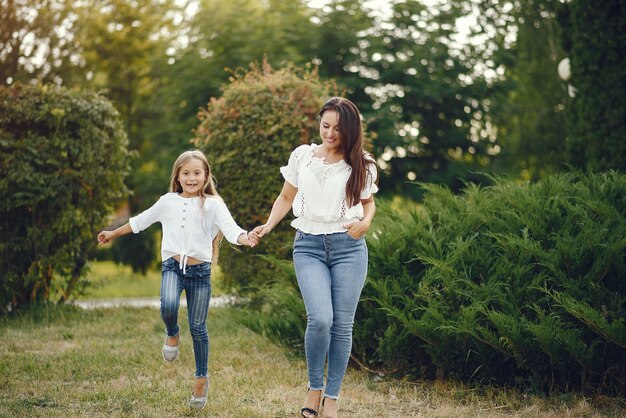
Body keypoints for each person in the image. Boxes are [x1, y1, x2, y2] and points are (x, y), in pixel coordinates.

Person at [97, 149, 257, 411]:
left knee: (198, 328)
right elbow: (141, 221)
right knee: (168, 306)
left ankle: (201, 380)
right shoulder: (168, 201)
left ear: (206, 176)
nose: (192, 178)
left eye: (197, 173)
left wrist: (245, 237)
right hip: (172, 266)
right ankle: (172, 332)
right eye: (186, 173)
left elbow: (231, 230)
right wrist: (113, 233)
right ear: (178, 176)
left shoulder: (214, 204)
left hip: (200, 272)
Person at [252, 97, 378, 418]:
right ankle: (314, 387)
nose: (330, 133)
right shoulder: (303, 156)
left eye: (337, 128)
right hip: (308, 245)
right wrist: (267, 226)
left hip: (348, 248)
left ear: (350, 130)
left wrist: (364, 224)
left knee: (342, 325)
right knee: (321, 319)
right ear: (319, 123)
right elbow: (286, 196)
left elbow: (368, 203)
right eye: (325, 126)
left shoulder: (361, 163)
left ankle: (332, 397)